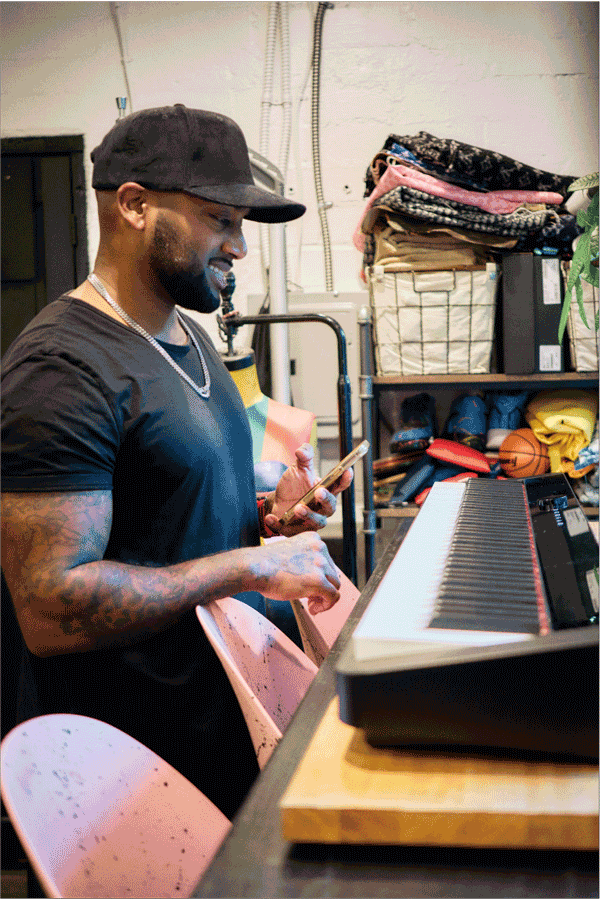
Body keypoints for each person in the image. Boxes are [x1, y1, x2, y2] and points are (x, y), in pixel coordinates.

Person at [1, 104, 353, 818]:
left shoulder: (185, 337)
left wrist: (269, 521)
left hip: (222, 727)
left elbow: (167, 510)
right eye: (220, 220)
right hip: (132, 772)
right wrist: (250, 567)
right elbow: (49, 606)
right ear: (134, 205)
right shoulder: (61, 369)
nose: (240, 248)